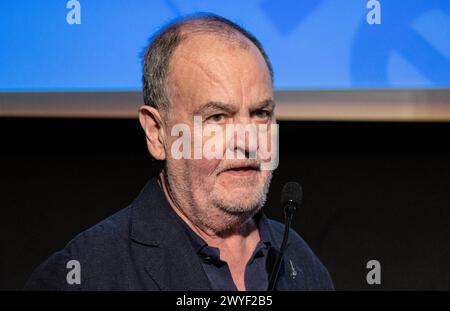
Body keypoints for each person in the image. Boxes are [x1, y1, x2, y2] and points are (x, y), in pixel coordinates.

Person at [25, 14, 333, 291]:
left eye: (261, 113)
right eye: (217, 117)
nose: (248, 140)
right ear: (157, 133)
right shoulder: (86, 273)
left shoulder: (301, 263)